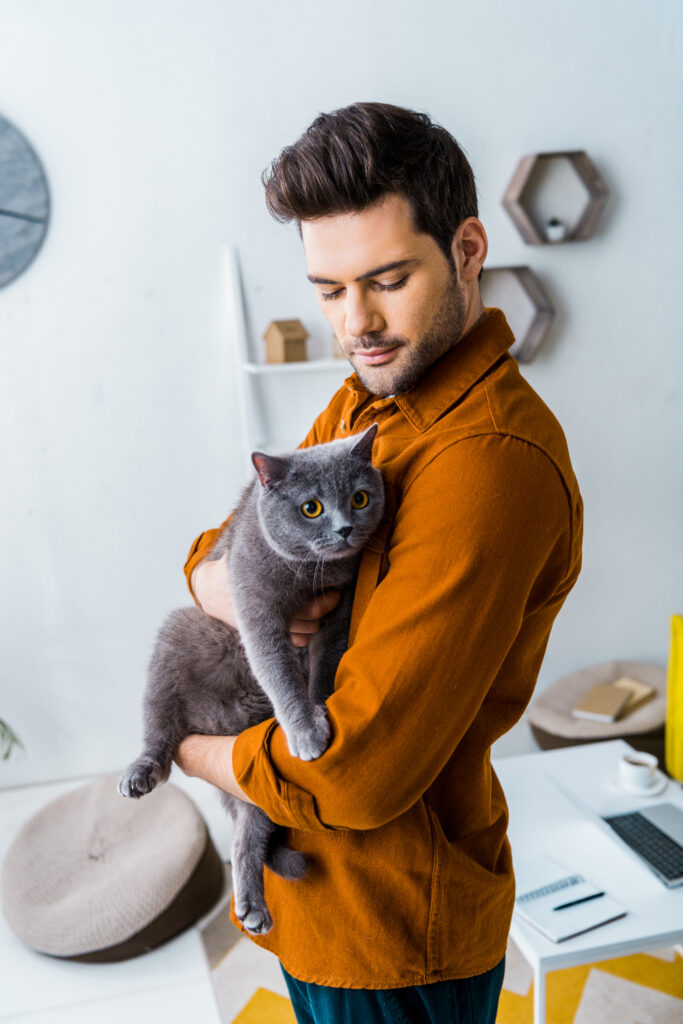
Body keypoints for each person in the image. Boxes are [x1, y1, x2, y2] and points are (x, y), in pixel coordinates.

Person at [175, 102, 583, 1023]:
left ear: (468, 249)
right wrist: (222, 586)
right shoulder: (371, 404)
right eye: (328, 289)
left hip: (395, 937)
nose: (354, 323)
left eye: (387, 279)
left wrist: (192, 753)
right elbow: (230, 543)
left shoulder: (487, 463)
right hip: (316, 902)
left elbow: (352, 773)